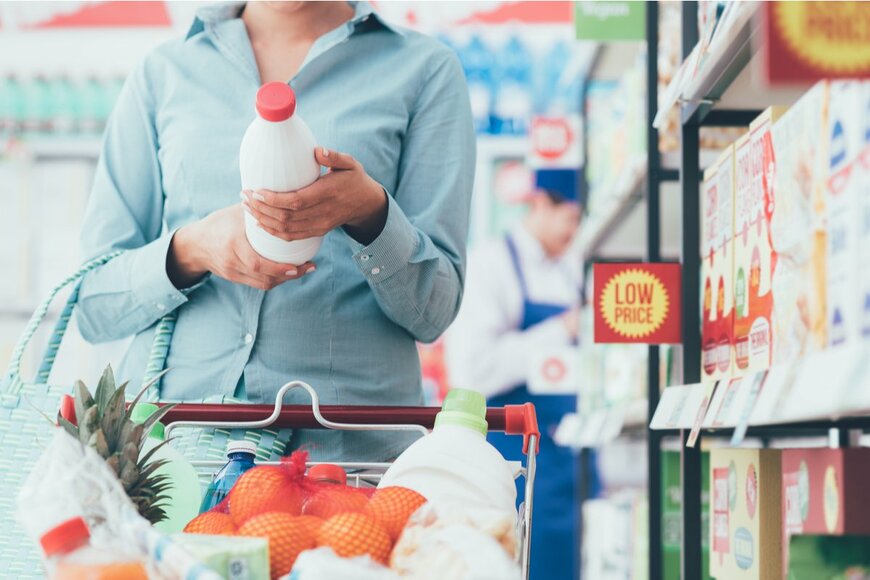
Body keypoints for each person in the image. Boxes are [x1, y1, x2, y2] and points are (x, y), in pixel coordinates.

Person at [75, 1, 474, 462]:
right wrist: (190, 251)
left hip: (345, 463)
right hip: (176, 457)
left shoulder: (424, 70)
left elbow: (434, 313)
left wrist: (370, 212)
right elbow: (92, 305)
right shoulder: (164, 73)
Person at [445, 167, 592, 580]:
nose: (575, 232)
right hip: (512, 462)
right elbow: (475, 370)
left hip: (567, 462)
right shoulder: (492, 264)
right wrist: (560, 330)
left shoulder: (570, 271)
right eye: (572, 219)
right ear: (542, 203)